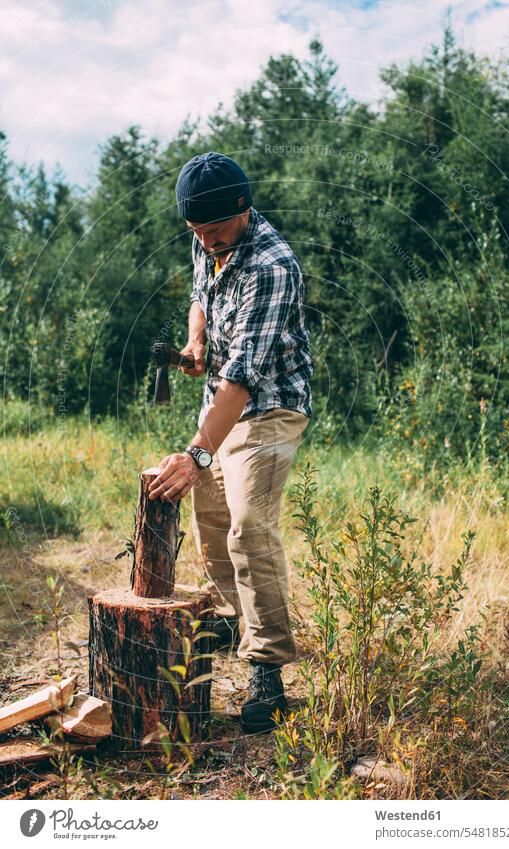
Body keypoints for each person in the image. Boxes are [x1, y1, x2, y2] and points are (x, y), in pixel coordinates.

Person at [148, 151, 313, 734]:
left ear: (242, 209)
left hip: (266, 407)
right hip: (221, 402)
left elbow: (243, 379)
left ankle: (267, 667)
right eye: (198, 233)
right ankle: (232, 619)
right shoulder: (208, 235)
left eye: (216, 232)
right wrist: (196, 344)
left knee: (248, 527)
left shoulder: (272, 265)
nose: (208, 242)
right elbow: (201, 294)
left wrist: (196, 454)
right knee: (212, 522)